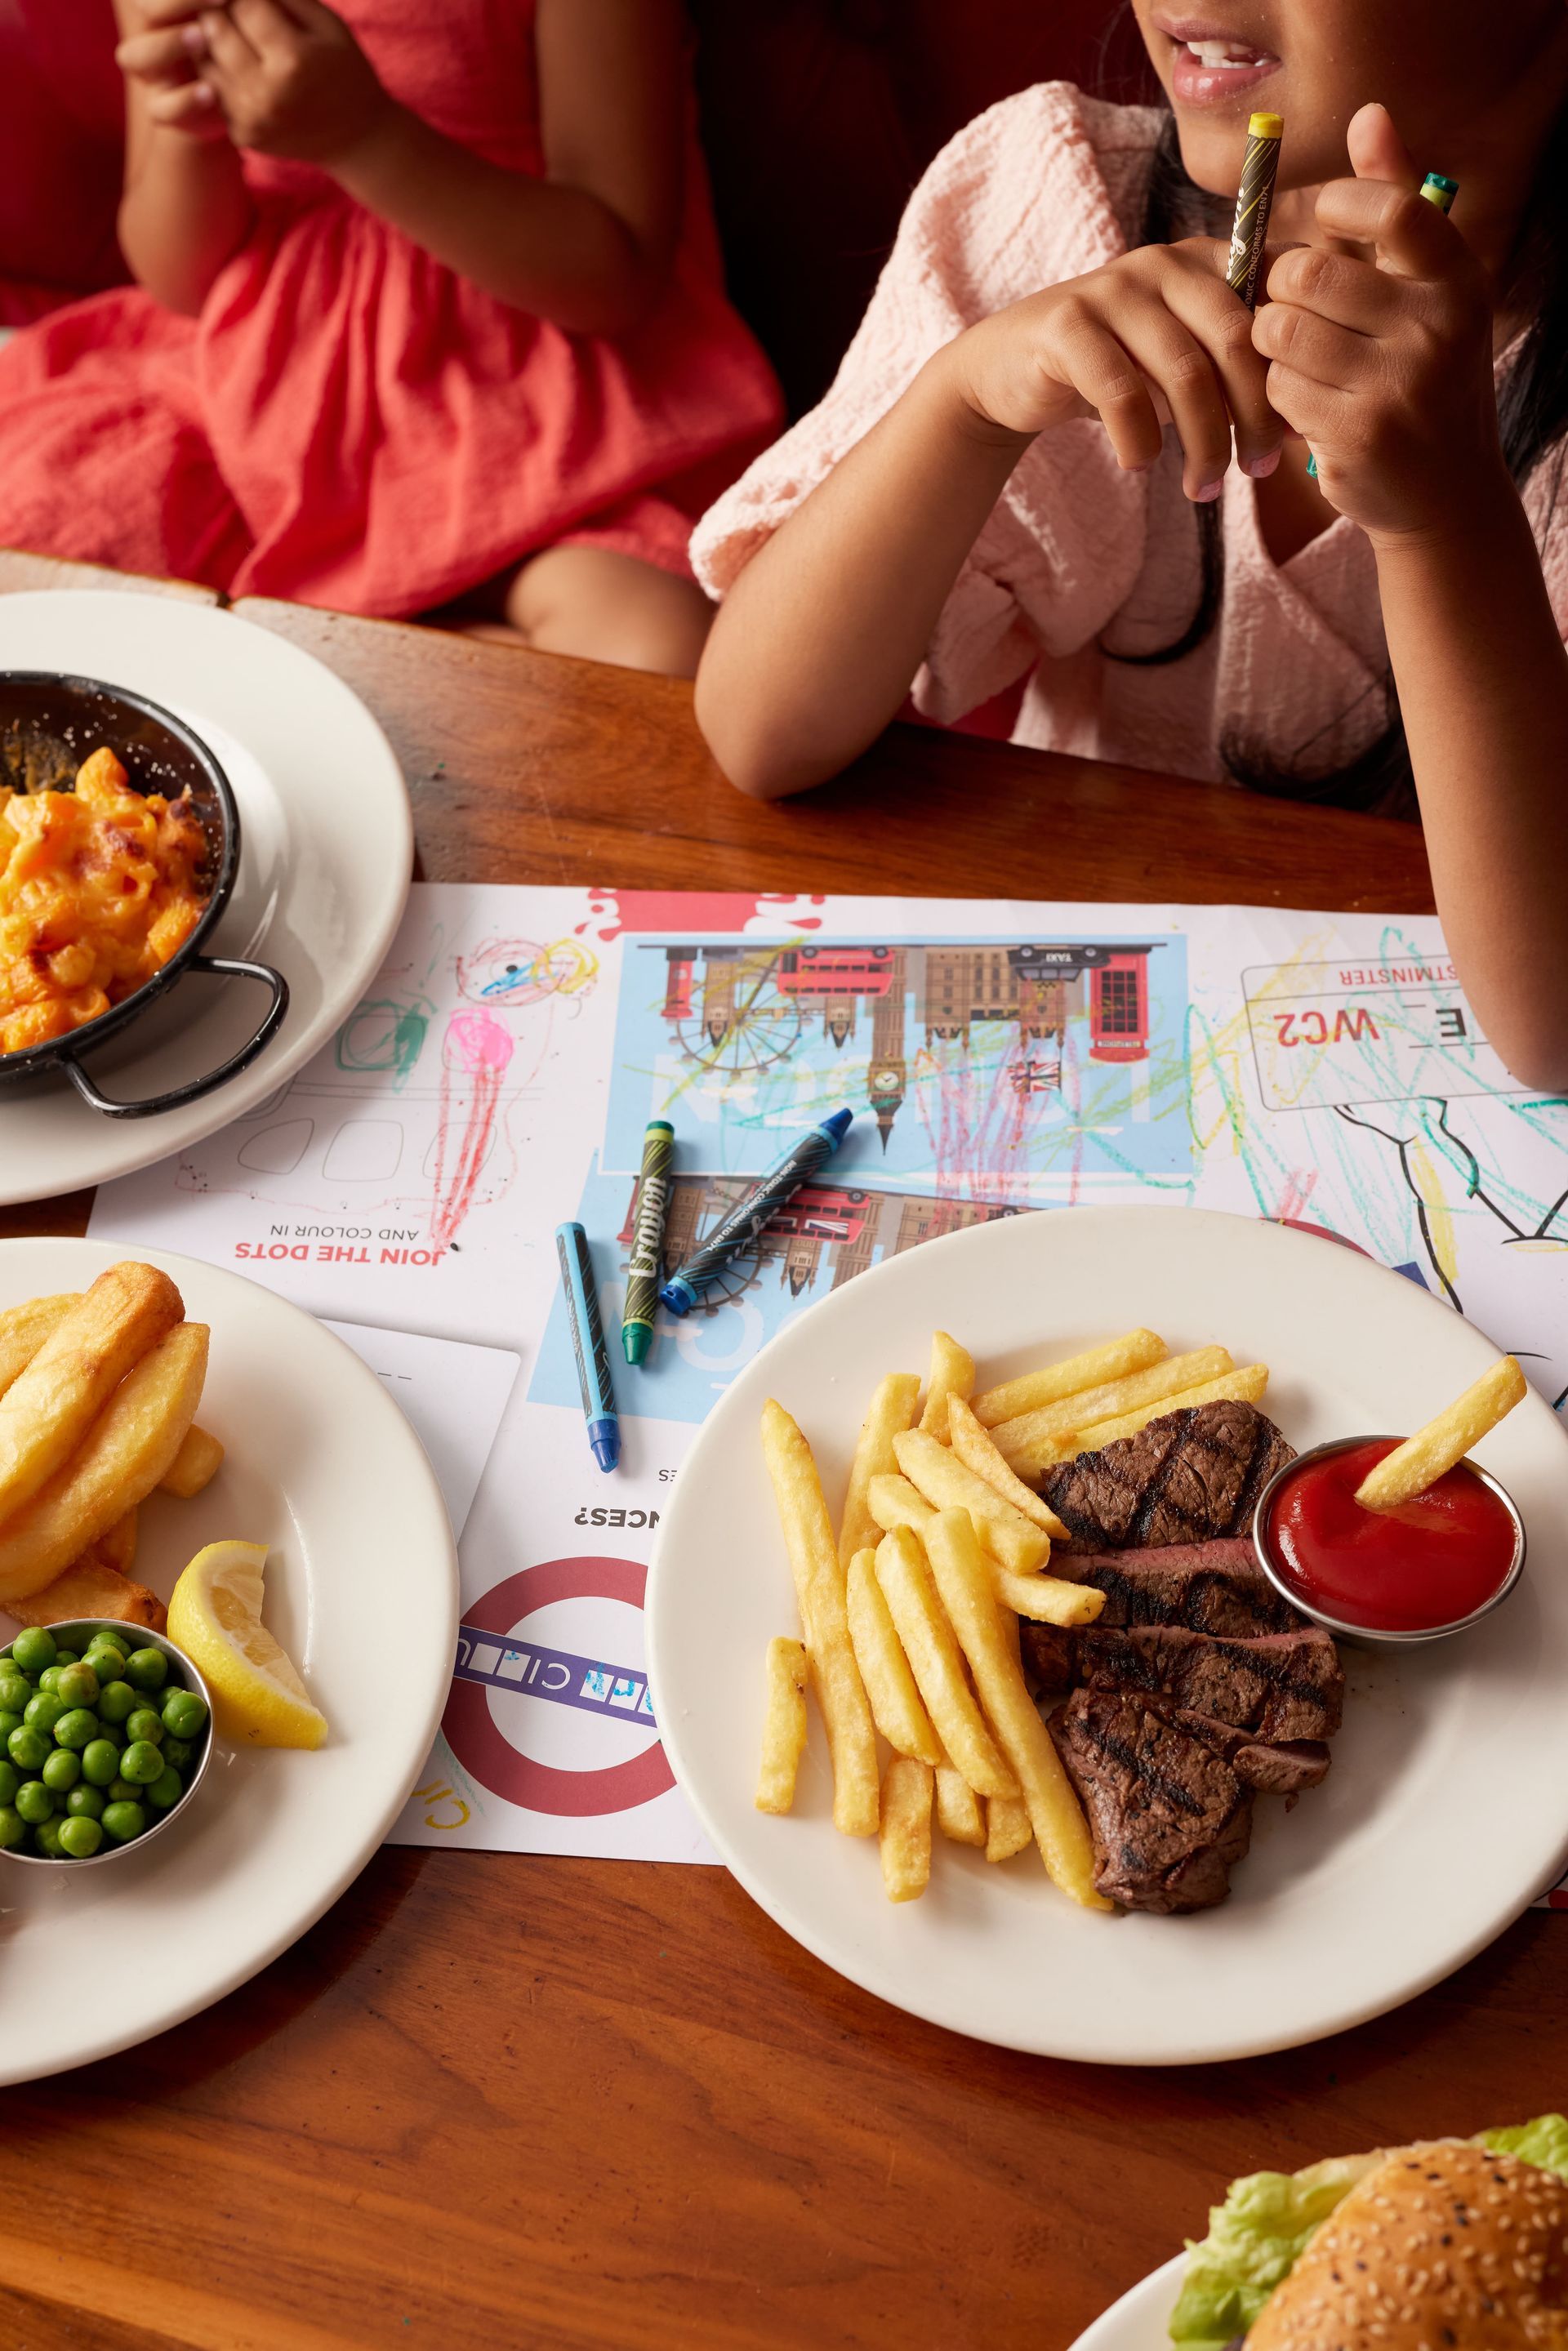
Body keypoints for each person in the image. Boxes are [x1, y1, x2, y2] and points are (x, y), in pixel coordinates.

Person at [691, 2, 1568, 1089]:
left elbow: (1550, 1028)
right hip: (1087, 1060)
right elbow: (762, 732)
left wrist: (1445, 521)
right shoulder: (1062, 206)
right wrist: (966, 404)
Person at [0, 0, 781, 675]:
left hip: (538, 412)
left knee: (655, 653)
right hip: (255, 402)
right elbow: (182, 278)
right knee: (38, 549)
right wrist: (189, 124)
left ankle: (333, 662)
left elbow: (616, 275)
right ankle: (342, 654)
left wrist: (363, 136)